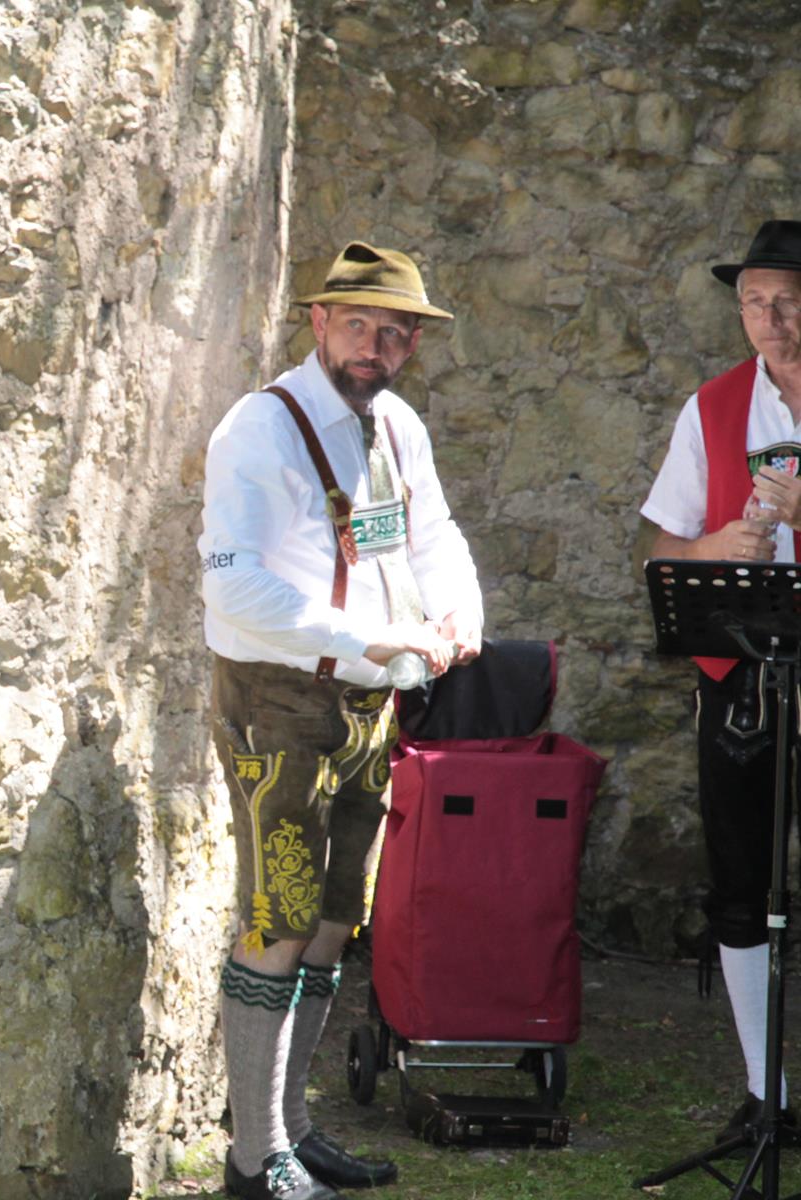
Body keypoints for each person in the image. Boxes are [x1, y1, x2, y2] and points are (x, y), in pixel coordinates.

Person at [197, 242, 483, 1199]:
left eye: (393, 333)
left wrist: (460, 614)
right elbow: (233, 587)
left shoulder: (398, 424)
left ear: (413, 344)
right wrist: (368, 635)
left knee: (331, 920)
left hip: (369, 704)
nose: (374, 347)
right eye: (357, 325)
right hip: (278, 702)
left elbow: (433, 537)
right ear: (318, 323)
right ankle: (253, 1160)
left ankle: (294, 1129)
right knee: (277, 917)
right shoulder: (259, 428)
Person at [641, 219, 801, 1141]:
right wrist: (716, 547)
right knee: (741, 884)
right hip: (744, 672)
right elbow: (664, 552)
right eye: (753, 302)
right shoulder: (711, 407)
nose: (769, 320)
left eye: (788, 303)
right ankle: (764, 1094)